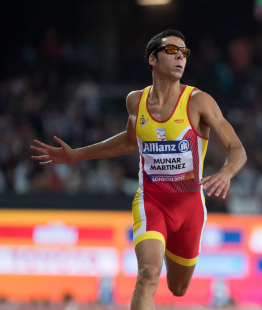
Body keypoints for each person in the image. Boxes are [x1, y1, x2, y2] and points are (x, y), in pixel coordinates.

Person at [31, 29, 247, 309]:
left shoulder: (198, 101)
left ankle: (170, 249)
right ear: (152, 59)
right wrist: (77, 155)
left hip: (190, 205)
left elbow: (238, 149)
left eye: (184, 52)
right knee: (148, 274)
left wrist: (226, 172)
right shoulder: (135, 101)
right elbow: (131, 141)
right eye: (172, 51)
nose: (180, 57)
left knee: (178, 288)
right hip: (151, 201)